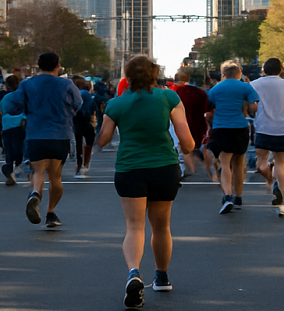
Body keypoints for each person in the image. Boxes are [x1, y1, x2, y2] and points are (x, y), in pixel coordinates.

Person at [97, 55, 196, 308]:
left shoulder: (116, 103)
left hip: (130, 167)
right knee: (161, 226)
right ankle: (161, 277)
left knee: (134, 226)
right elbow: (187, 142)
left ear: (127, 77)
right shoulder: (169, 98)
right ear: (155, 74)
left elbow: (103, 139)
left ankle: (133, 272)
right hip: (164, 166)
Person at [1, 52, 83, 227]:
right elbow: (78, 103)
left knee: (38, 171)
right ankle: (51, 213)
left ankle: (35, 194)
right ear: (58, 65)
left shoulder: (27, 84)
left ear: (38, 65)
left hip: (36, 134)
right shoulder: (66, 84)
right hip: (60, 134)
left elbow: (12, 105)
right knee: (56, 177)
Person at [250, 58, 284, 218]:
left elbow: (250, 105)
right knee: (280, 164)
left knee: (260, 164)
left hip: (263, 128)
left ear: (263, 70)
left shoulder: (254, 84)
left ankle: (269, 180)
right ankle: (280, 200)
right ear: (280, 70)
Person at [205, 61, 259, 214]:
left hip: (221, 127)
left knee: (224, 162)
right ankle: (238, 196)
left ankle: (227, 195)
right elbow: (254, 106)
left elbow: (210, 107)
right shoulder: (245, 86)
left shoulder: (215, 89)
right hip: (239, 127)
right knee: (239, 163)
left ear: (224, 74)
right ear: (239, 73)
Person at [172, 71, 209, 180]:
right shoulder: (200, 92)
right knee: (201, 146)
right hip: (199, 123)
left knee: (185, 148)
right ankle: (209, 170)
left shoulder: (176, 92)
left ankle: (193, 171)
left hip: (182, 123)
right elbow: (206, 108)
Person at [0, 75, 27, 185]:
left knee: (8, 148)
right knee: (19, 146)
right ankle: (18, 165)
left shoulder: (5, 98)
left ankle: (9, 170)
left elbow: (1, 110)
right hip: (19, 124)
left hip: (6, 124)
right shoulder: (23, 96)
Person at [72, 76, 97, 178]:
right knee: (89, 142)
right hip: (87, 119)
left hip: (78, 119)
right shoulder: (87, 94)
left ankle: (79, 166)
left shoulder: (79, 93)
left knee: (79, 143)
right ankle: (85, 165)